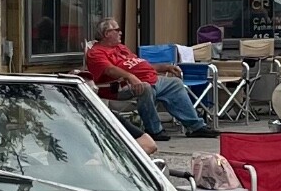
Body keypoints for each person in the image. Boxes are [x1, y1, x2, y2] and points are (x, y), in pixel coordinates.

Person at [85, 19, 219, 141]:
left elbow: (140, 65)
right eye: (117, 30)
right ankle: (154, 130)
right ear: (107, 33)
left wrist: (164, 67)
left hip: (149, 79)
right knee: (145, 88)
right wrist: (131, 77)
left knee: (175, 83)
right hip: (119, 87)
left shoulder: (121, 48)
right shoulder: (96, 53)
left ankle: (195, 127)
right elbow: (110, 70)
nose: (121, 33)